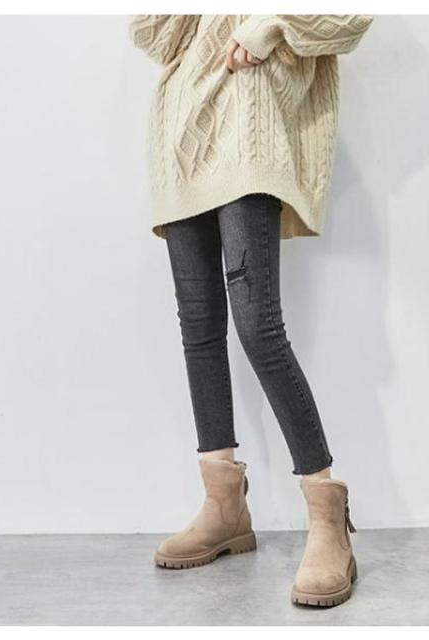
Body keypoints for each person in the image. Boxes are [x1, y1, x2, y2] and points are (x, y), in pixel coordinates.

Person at [129, 14, 373, 608]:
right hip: (180, 146)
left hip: (248, 144)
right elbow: (152, 35)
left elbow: (350, 18)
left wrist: (270, 25)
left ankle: (326, 514)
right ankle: (224, 507)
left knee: (258, 326)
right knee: (199, 329)